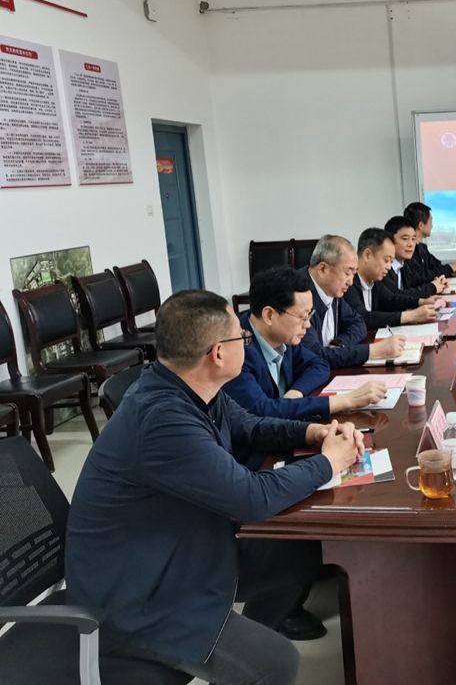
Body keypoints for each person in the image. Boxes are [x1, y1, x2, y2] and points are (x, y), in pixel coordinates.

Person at [66, 290, 366, 685]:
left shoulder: (192, 387)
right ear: (218, 353)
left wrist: (315, 432)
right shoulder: (162, 419)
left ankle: (241, 642)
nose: (248, 342)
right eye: (242, 337)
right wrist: (329, 462)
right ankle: (239, 654)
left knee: (296, 548)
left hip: (184, 549)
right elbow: (251, 498)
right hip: (138, 596)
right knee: (276, 663)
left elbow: (252, 426)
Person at [224, 267, 386, 420]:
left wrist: (296, 393)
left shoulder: (284, 336)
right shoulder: (235, 349)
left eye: (310, 315)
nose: (308, 325)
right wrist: (346, 401)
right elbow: (262, 411)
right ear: (269, 315)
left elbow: (319, 364)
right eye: (303, 317)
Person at [301, 234, 406, 368]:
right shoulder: (299, 294)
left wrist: (339, 344)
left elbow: (359, 323)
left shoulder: (332, 290)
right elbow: (314, 356)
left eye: (353, 274)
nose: (350, 282)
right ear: (323, 269)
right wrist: (373, 351)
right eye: (347, 273)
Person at [344, 227, 438, 330]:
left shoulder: (374, 280)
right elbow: (363, 317)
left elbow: (392, 299)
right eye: (386, 260)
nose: (389, 267)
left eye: (391, 262)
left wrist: (422, 301)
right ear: (367, 255)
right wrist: (411, 316)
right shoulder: (348, 282)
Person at [404, 201, 456, 286]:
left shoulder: (423, 248)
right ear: (421, 225)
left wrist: (451, 271)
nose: (432, 226)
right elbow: (421, 277)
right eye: (431, 222)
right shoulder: (407, 251)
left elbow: (436, 267)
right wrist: (452, 267)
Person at [384, 214, 447, 297]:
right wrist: (432, 287)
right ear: (389, 240)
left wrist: (436, 282)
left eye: (413, 239)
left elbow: (416, 283)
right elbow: (394, 297)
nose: (411, 244)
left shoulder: (405, 265)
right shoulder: (383, 269)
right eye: (405, 239)